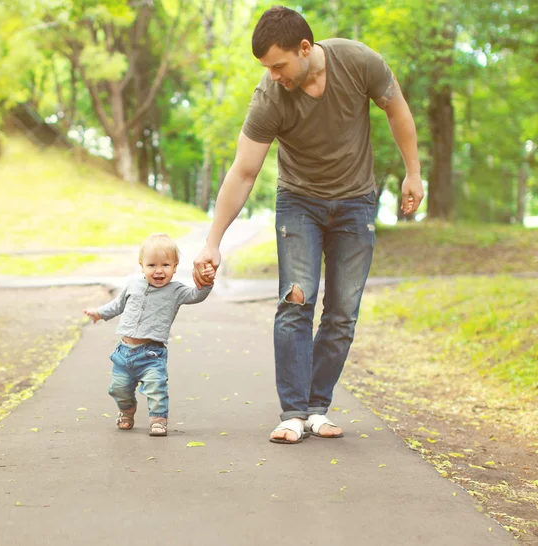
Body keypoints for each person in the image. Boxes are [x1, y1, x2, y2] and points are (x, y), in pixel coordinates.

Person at [193, 6, 423, 444]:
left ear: (304, 47)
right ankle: (293, 412)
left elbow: (396, 108)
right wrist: (213, 242)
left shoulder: (358, 62)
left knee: (341, 313)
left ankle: (318, 407)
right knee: (296, 302)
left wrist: (413, 173)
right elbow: (243, 173)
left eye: (278, 65)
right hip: (299, 202)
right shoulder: (269, 97)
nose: (273, 75)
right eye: (266, 68)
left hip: (357, 203)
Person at [84, 233, 214, 437]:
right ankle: (127, 412)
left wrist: (206, 283)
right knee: (119, 389)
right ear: (141, 265)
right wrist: (99, 313)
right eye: (152, 265)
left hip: (152, 355)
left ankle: (158, 420)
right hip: (123, 352)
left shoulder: (176, 290)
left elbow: (196, 295)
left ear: (175, 266)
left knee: (157, 389)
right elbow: (117, 305)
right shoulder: (133, 285)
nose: (159, 271)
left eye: (165, 265)